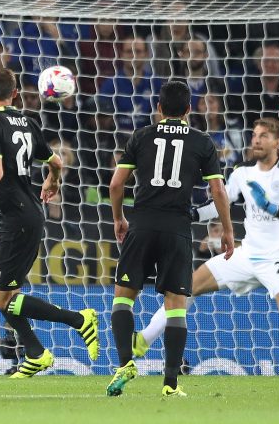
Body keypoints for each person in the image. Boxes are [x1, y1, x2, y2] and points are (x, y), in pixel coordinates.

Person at [134, 118, 279, 366]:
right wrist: (192, 215)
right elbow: (222, 202)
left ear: (277, 143)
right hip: (247, 254)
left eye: (264, 136)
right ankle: (143, 339)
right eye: (255, 135)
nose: (257, 140)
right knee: (188, 286)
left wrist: (270, 207)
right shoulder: (242, 172)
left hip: (276, 258)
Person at [0, 67, 99, 378]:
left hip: (17, 219)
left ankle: (77, 321)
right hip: (15, 217)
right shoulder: (28, 122)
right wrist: (52, 180)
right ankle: (35, 352)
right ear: (16, 94)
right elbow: (56, 162)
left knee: (1, 298)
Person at [106, 80, 234, 398]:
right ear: (190, 110)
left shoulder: (141, 136)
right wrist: (228, 230)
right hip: (177, 228)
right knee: (175, 306)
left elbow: (115, 184)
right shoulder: (202, 142)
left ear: (159, 109)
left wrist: (119, 218)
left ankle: (125, 364)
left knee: (123, 297)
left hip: (142, 223)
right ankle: (170, 384)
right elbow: (218, 190)